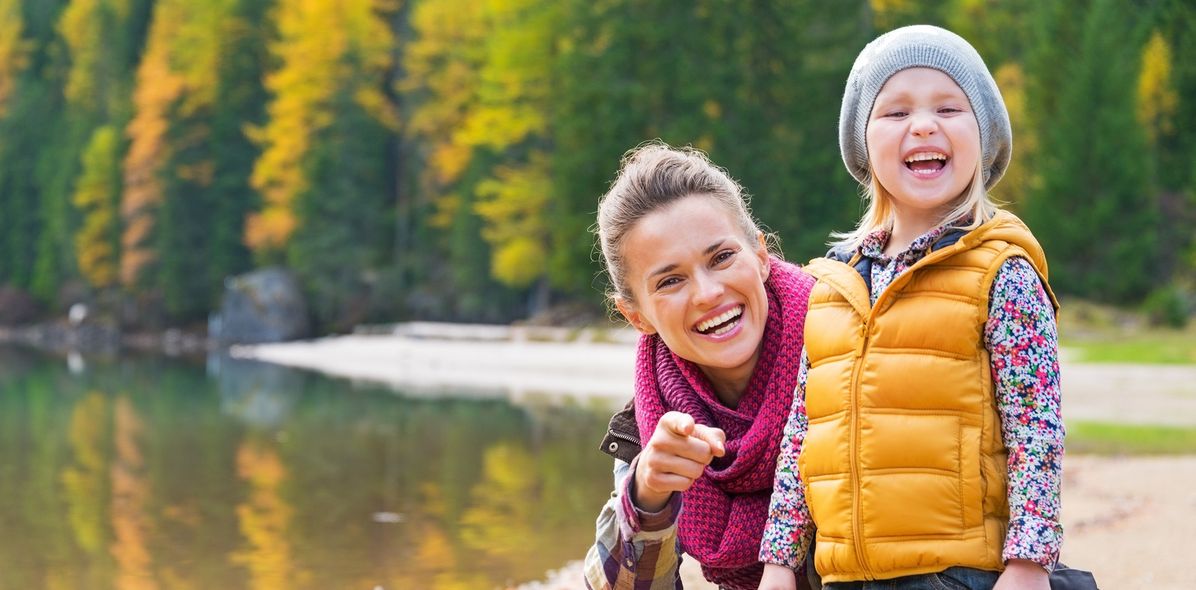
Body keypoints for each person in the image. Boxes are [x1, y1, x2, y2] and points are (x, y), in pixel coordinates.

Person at [758, 25, 1064, 590]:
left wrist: (1029, 563)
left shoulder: (1003, 272)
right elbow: (804, 433)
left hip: (956, 572)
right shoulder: (834, 285)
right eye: (896, 113)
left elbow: (1036, 429)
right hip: (846, 575)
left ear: (984, 138)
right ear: (864, 146)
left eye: (948, 107)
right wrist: (779, 562)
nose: (923, 124)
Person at [583, 142, 818, 590]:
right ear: (637, 316)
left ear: (761, 256)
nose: (708, 293)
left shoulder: (852, 348)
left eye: (722, 257)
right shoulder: (653, 419)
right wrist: (647, 495)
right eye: (671, 281)